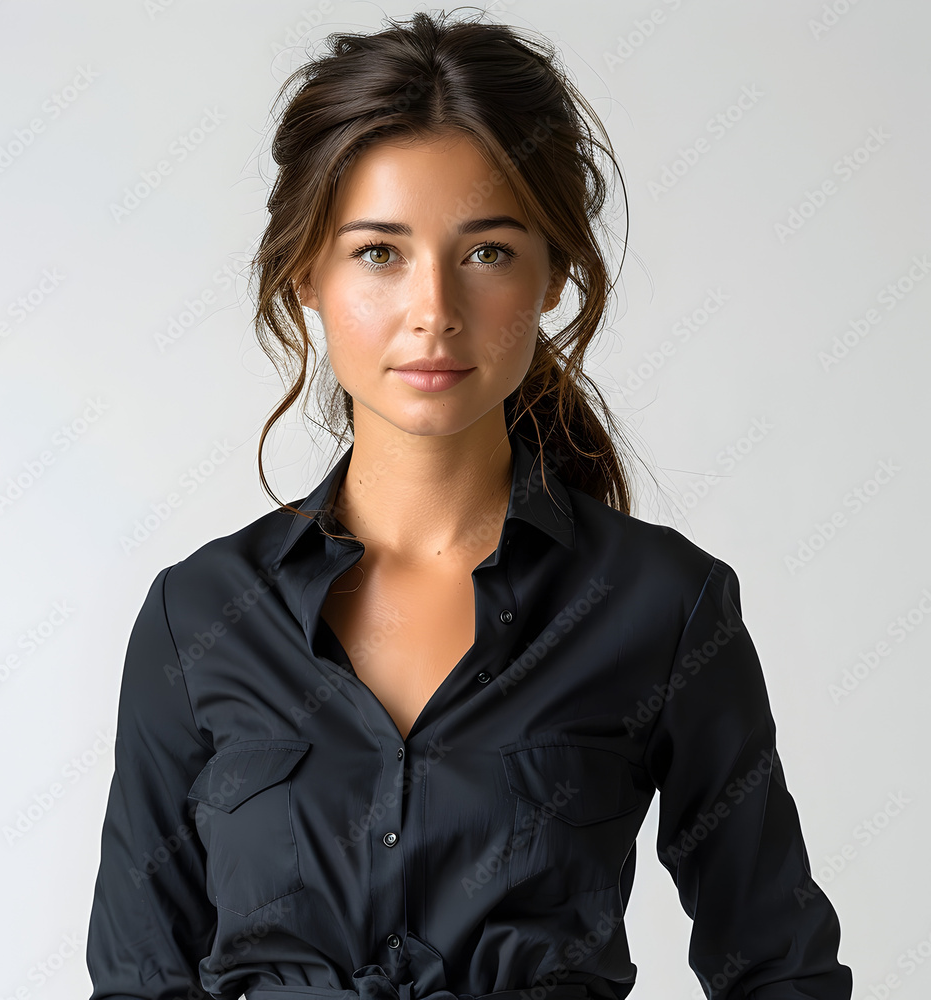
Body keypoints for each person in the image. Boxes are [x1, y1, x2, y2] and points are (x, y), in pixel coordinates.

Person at [85, 10, 851, 1000]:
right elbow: (139, 978)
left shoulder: (663, 607)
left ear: (551, 272)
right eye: (378, 251)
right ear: (306, 271)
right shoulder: (195, 617)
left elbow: (779, 968)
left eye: (486, 250)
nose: (433, 307)